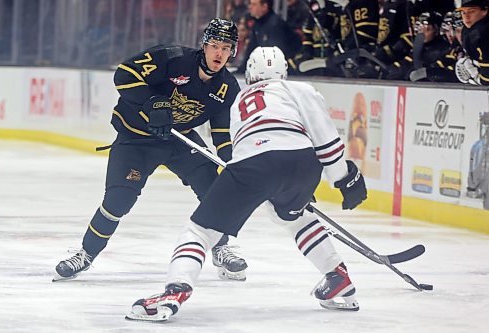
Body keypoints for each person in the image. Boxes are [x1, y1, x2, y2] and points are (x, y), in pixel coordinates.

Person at [126, 46, 368, 323]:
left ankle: (174, 291)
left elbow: (246, 150)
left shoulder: (240, 99)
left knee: (201, 230)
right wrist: (342, 177)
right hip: (302, 163)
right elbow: (325, 140)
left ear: (251, 74)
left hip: (254, 164)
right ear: (284, 72)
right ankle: (338, 277)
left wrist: (261, 181)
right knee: (294, 217)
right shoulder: (300, 89)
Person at [53, 18, 248, 282]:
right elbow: (124, 73)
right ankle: (86, 254)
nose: (219, 53)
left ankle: (221, 248)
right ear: (204, 45)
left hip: (179, 141)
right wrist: (153, 102)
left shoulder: (227, 88)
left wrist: (232, 164)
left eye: (226, 48)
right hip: (136, 140)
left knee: (214, 189)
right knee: (118, 200)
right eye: (214, 45)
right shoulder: (172, 58)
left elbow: (222, 133)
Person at [237, 0, 302, 74]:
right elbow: (251, 50)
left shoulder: (275, 25)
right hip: (267, 71)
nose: (250, 7)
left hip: (286, 73)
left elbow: (275, 55)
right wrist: (240, 72)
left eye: (254, 4)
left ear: (264, 7)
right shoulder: (257, 24)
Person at [455, 0, 489, 85]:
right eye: (463, 12)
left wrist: (477, 79)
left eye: (471, 11)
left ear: (485, 11)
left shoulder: (482, 32)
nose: (466, 17)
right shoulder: (468, 30)